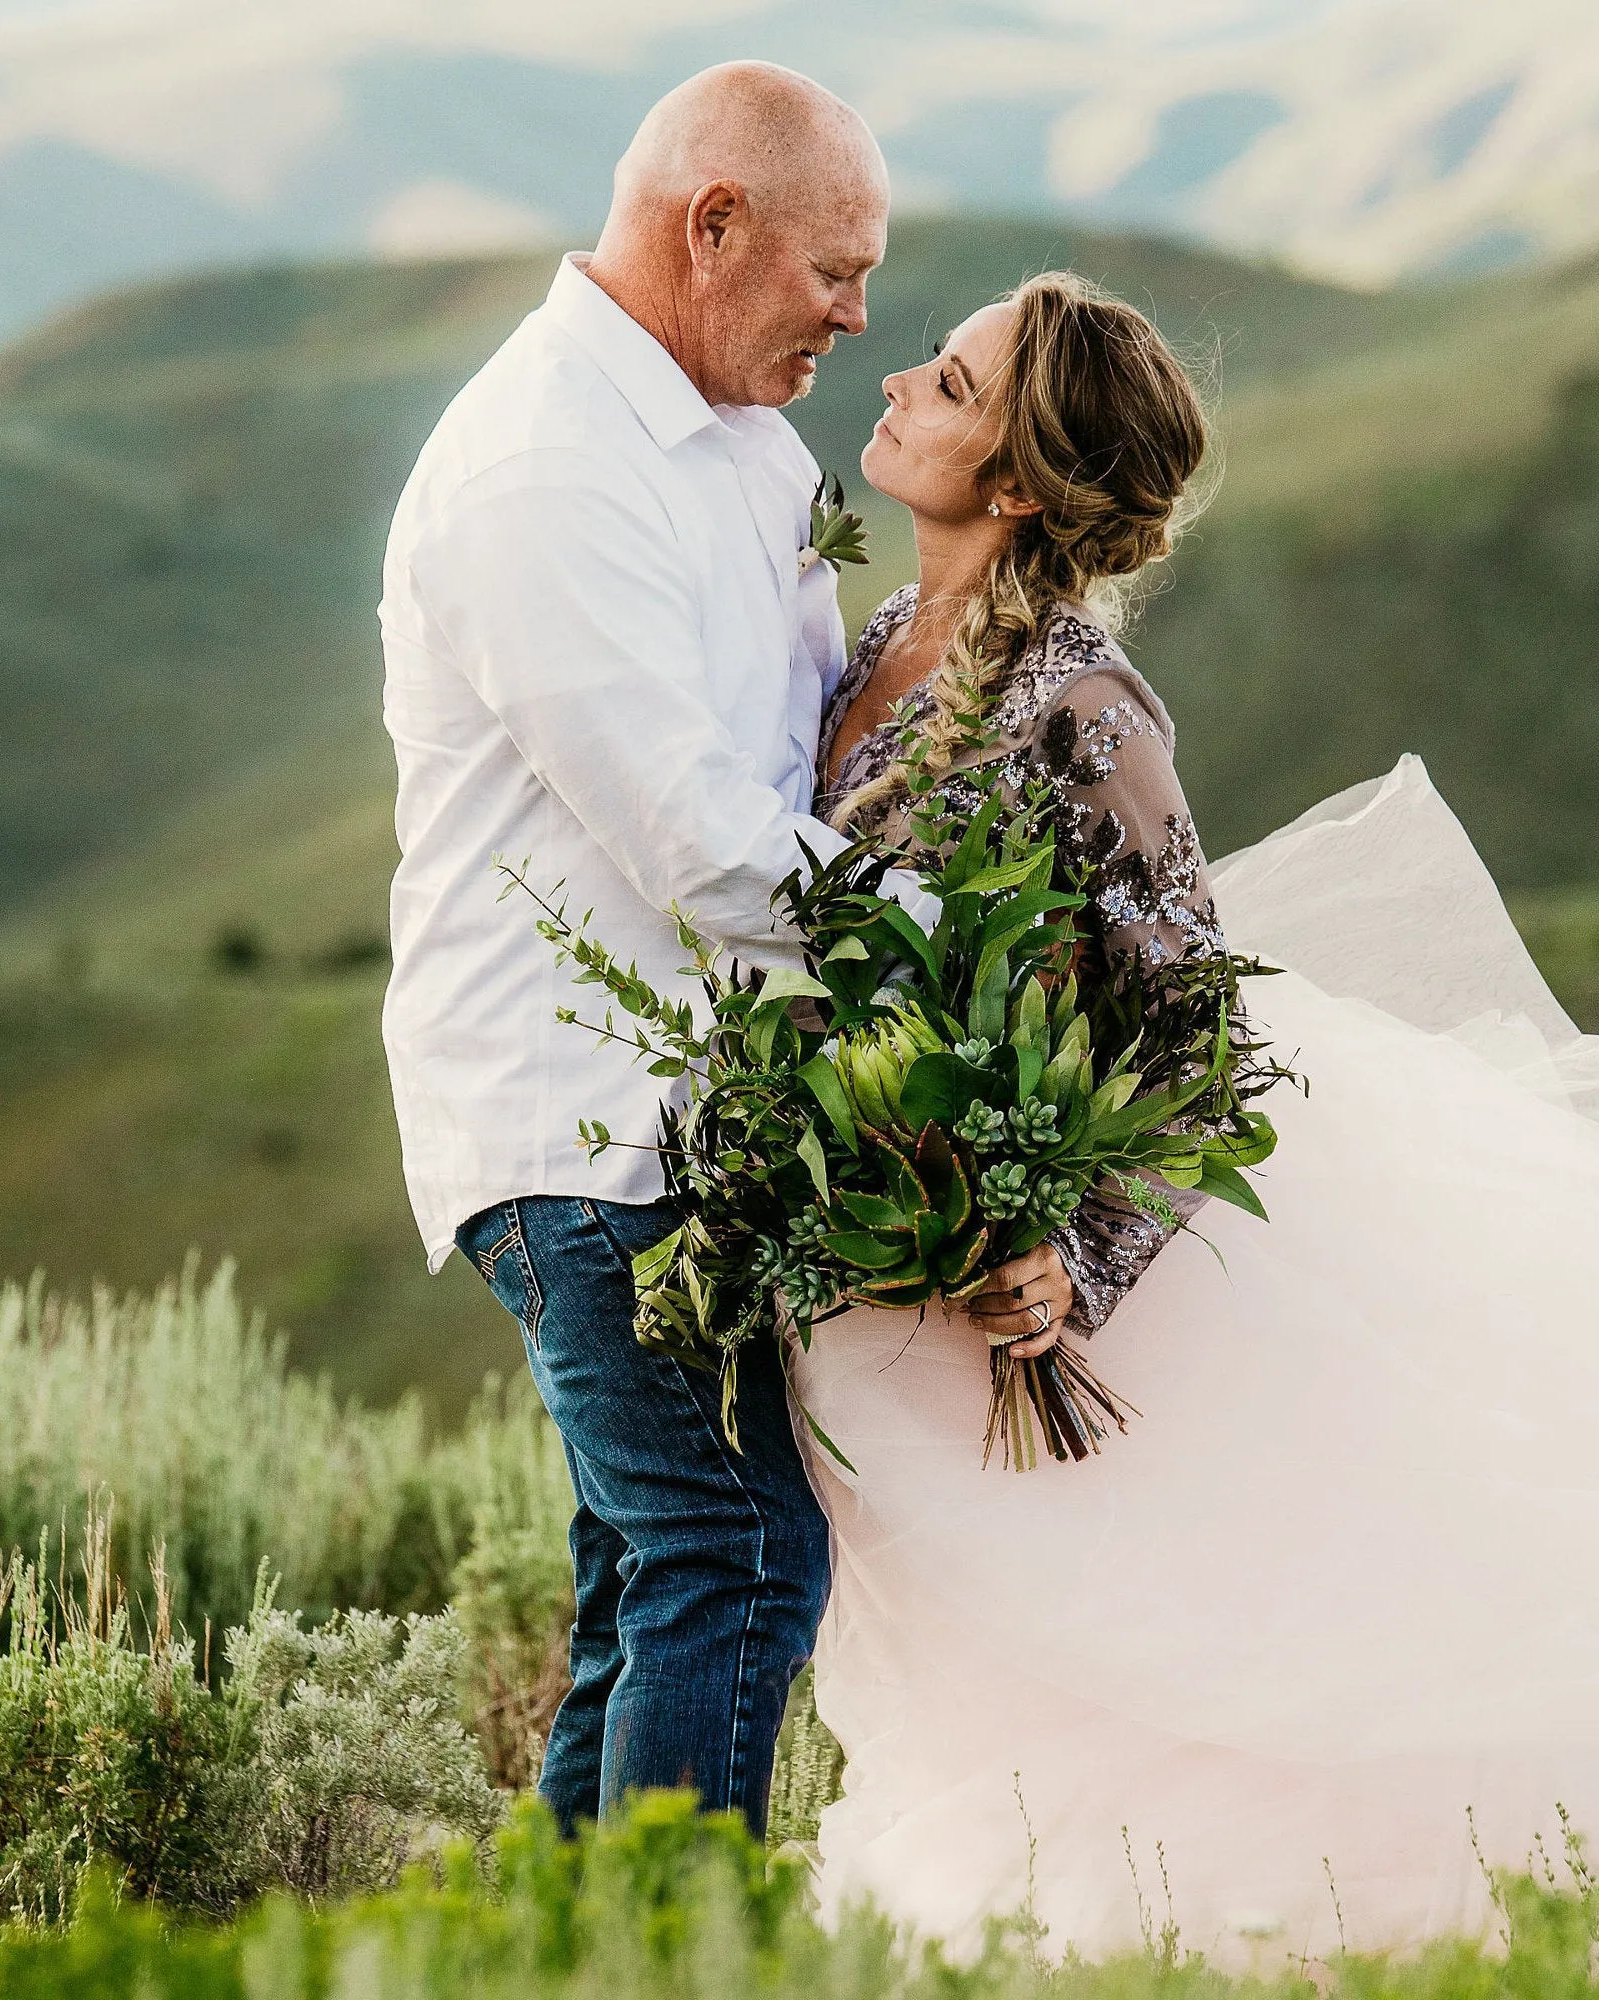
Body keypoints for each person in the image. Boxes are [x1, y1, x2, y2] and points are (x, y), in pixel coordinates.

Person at [792, 271, 1599, 1959]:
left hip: (1054, 1303)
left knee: (1187, 1664)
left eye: (944, 381)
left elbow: (1189, 1032)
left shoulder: (1086, 715)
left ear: (1013, 483)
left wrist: (1067, 1261)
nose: (895, 386)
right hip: (889, 1257)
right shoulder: (881, 646)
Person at [376, 62, 910, 1841]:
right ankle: (669, 1961)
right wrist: (940, 941)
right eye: (833, 269)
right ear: (713, 225)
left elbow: (794, 751)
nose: (857, 312)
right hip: (581, 1119)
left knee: (654, 1574)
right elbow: (694, 832)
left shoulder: (744, 440)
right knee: (736, 1551)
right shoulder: (542, 464)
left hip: (695, 1111)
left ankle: (568, 1957)